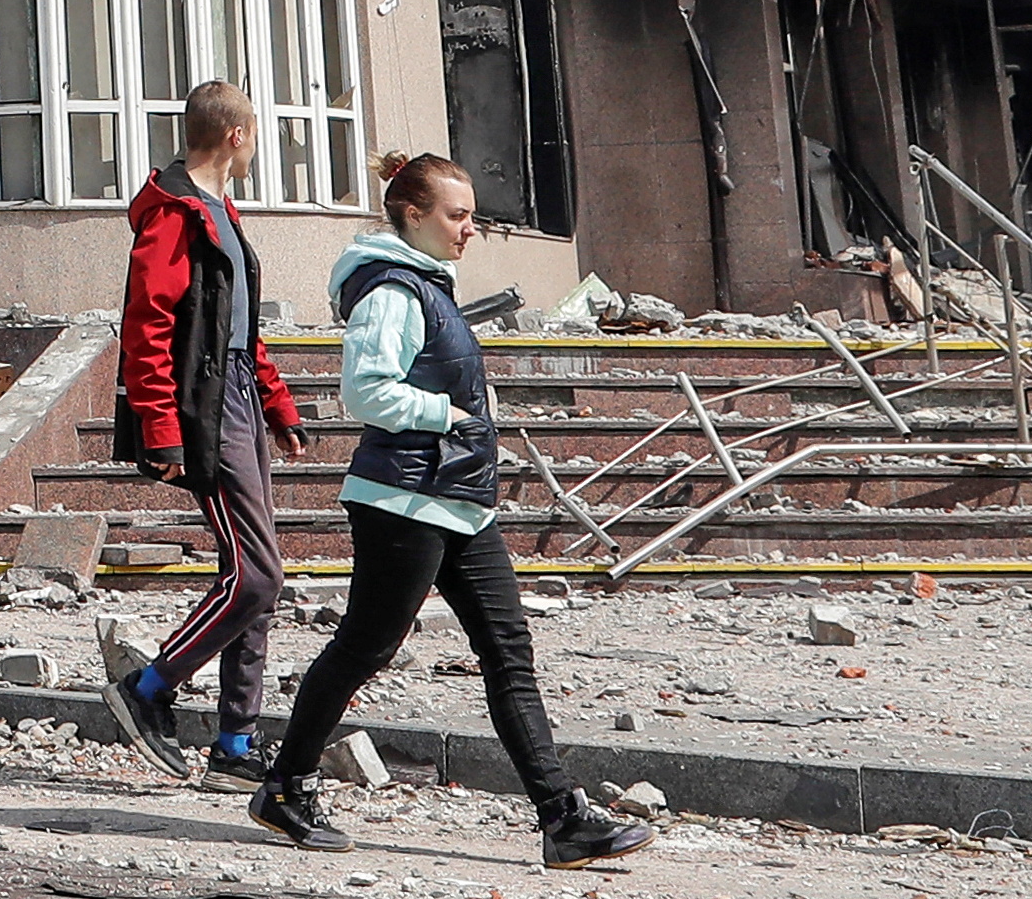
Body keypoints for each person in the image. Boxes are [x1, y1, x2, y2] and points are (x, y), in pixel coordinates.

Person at [244, 148, 655, 867]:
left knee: (507, 652)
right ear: (412, 213)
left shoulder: (428, 285)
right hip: (402, 498)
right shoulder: (390, 292)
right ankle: (284, 786)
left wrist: (464, 421)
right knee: (365, 646)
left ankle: (561, 818)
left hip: (458, 500)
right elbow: (364, 392)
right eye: (456, 215)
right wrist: (453, 414)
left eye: (470, 215)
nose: (470, 228)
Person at [99, 80, 305, 782]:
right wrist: (160, 427)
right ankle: (148, 687)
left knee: (251, 573)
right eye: (258, 135)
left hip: (240, 397)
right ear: (237, 136)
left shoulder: (221, 210)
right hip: (205, 411)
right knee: (256, 573)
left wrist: (277, 404)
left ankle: (236, 745)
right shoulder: (174, 213)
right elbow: (146, 323)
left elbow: (240, 331)